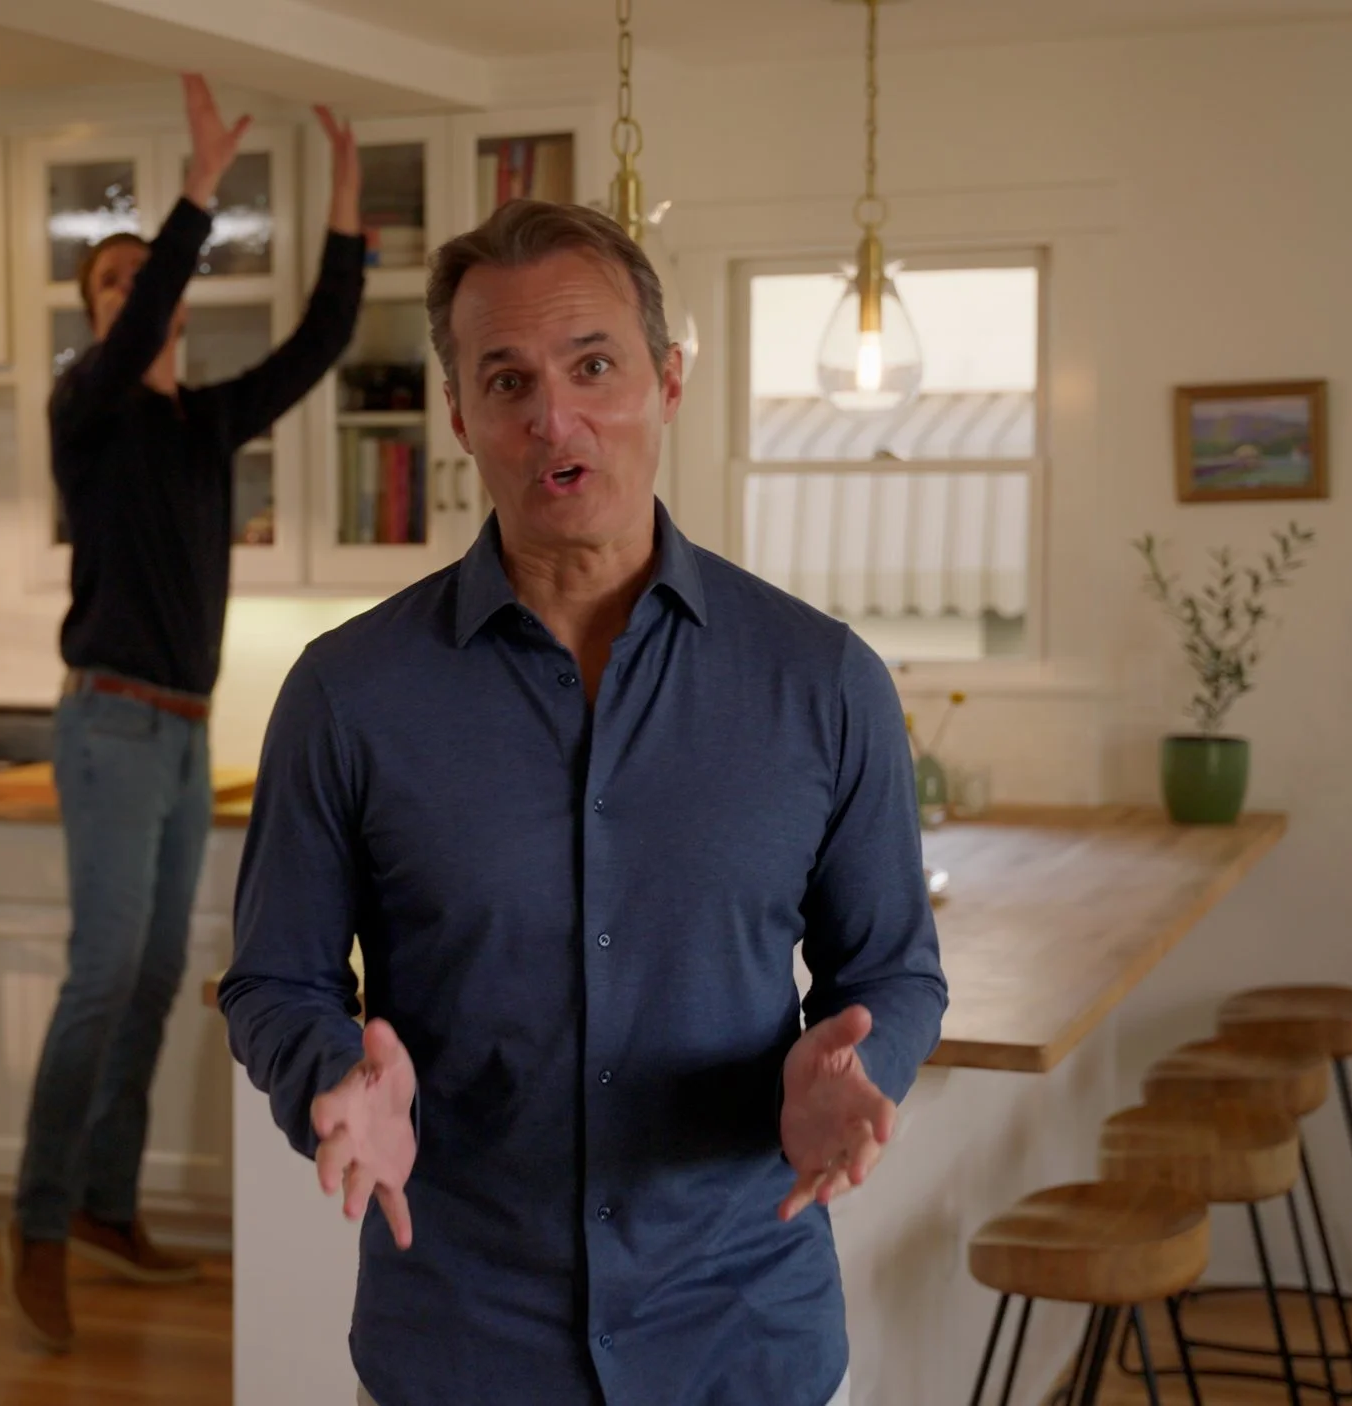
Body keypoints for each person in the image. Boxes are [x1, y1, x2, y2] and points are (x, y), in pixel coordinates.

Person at [219, 199, 949, 1406]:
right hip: (458, 1341)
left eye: (592, 366)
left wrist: (858, 1073)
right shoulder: (347, 694)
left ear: (666, 381)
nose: (553, 419)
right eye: (505, 381)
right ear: (459, 416)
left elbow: (896, 970)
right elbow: (273, 976)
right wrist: (330, 1074)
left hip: (742, 1339)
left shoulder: (821, 681)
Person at [3, 73, 365, 1353]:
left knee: (160, 974)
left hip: (181, 729)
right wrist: (199, 191)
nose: (131, 299)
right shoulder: (86, 416)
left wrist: (347, 208)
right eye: (109, 288)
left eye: (138, 283)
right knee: (104, 973)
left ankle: (105, 1202)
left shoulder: (203, 427)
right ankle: (38, 1223)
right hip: (106, 724)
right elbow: (149, 297)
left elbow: (320, 344)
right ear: (102, 317)